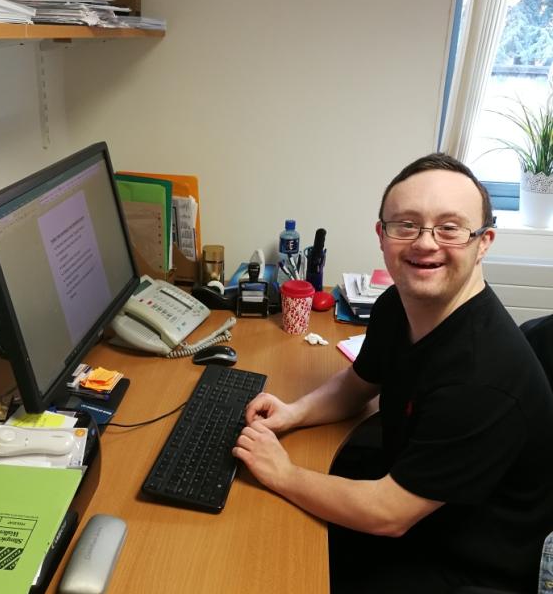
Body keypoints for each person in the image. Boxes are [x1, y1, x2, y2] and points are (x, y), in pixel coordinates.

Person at [232, 153, 553, 593]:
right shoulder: (398, 304)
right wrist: (293, 413)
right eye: (406, 224)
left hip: (457, 561)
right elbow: (359, 383)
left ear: (484, 242)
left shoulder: (482, 377)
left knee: (265, 565)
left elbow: (389, 513)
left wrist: (284, 473)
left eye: (450, 227)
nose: (425, 243)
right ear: (382, 236)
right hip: (415, 501)